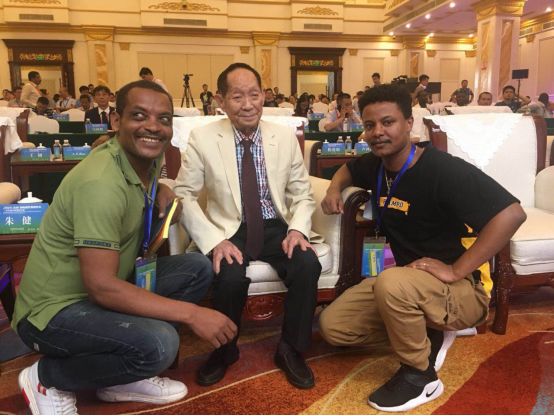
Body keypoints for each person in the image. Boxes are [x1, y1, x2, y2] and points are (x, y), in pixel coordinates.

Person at [14, 80, 237, 415]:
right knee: (160, 344)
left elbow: (142, 183)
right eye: (139, 116)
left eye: (163, 119)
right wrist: (193, 314)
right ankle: (47, 378)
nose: (153, 127)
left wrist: (161, 189)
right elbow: (101, 287)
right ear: (116, 121)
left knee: (196, 268)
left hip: (107, 285)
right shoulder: (100, 184)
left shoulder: (144, 156)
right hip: (54, 311)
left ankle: (119, 377)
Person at [319, 84, 526, 412]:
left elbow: (512, 214)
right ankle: (430, 330)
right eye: (370, 125)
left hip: (460, 288)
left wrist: (456, 269)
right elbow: (347, 169)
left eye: (388, 122)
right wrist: (334, 189)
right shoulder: (375, 165)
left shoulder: (442, 169)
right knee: (334, 327)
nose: (378, 132)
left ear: (408, 123)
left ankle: (420, 375)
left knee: (391, 282)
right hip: (407, 283)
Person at [175, 62, 321, 390]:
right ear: (220, 100)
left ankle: (291, 349)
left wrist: (297, 229)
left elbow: (302, 192)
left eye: (254, 95)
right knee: (228, 276)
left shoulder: (283, 137)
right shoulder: (203, 138)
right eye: (237, 96)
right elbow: (183, 194)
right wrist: (214, 240)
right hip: (229, 229)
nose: (248, 104)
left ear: (263, 95)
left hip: (276, 225)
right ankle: (224, 352)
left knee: (307, 264)